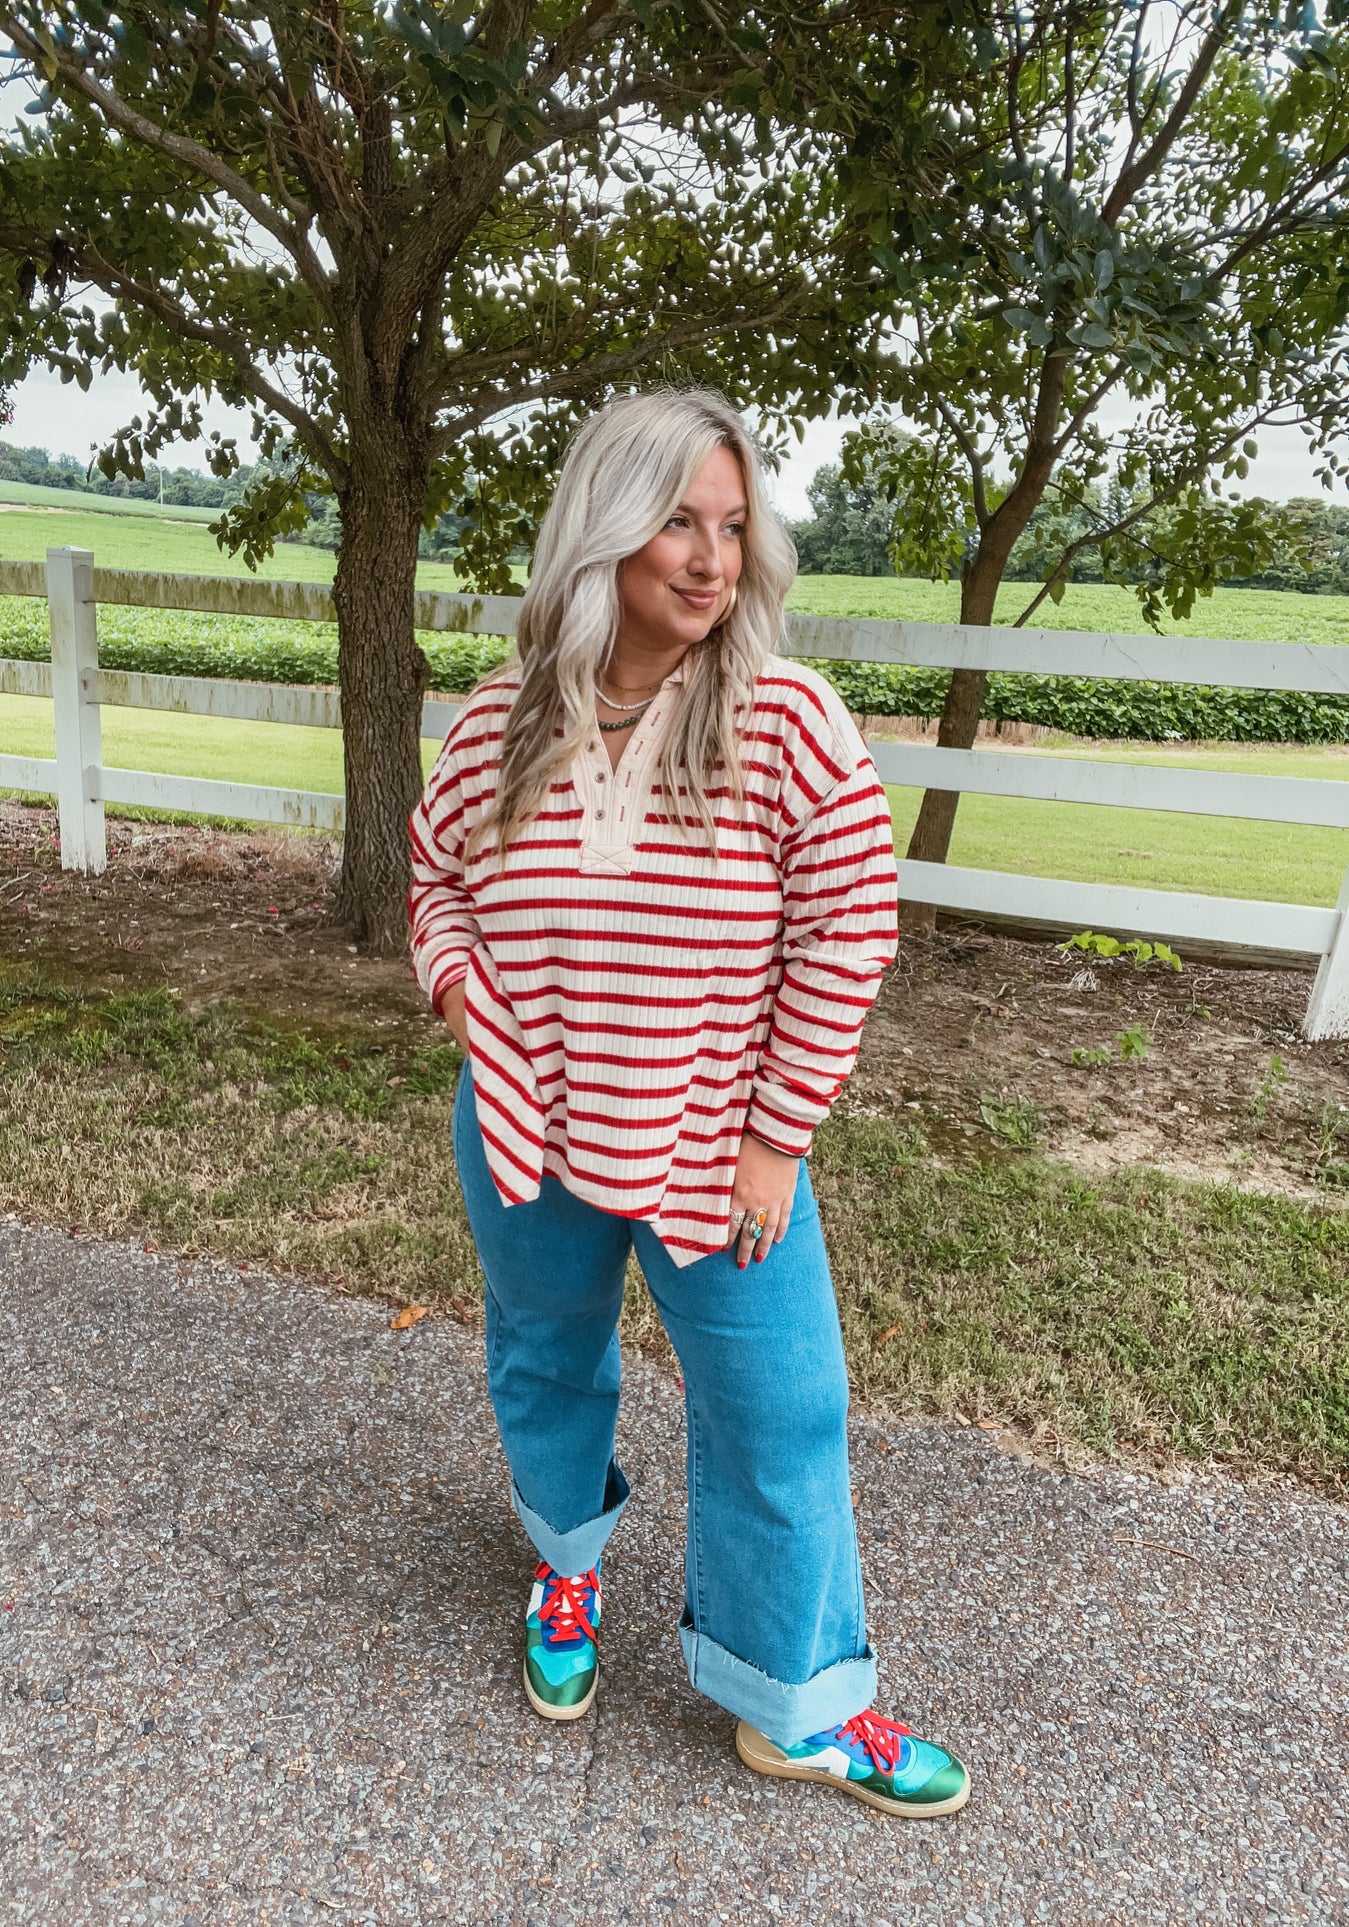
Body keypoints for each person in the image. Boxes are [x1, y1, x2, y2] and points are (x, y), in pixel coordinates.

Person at [407, 388, 969, 1818]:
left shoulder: (784, 717)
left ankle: (790, 1704)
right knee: (545, 1354)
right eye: (677, 520)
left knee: (781, 1409)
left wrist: (777, 1135)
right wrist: (475, 1020)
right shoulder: (498, 725)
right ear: (604, 529)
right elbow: (439, 891)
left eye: (732, 526)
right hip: (526, 1134)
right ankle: (568, 1568)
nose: (711, 559)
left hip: (719, 1151)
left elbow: (850, 919)